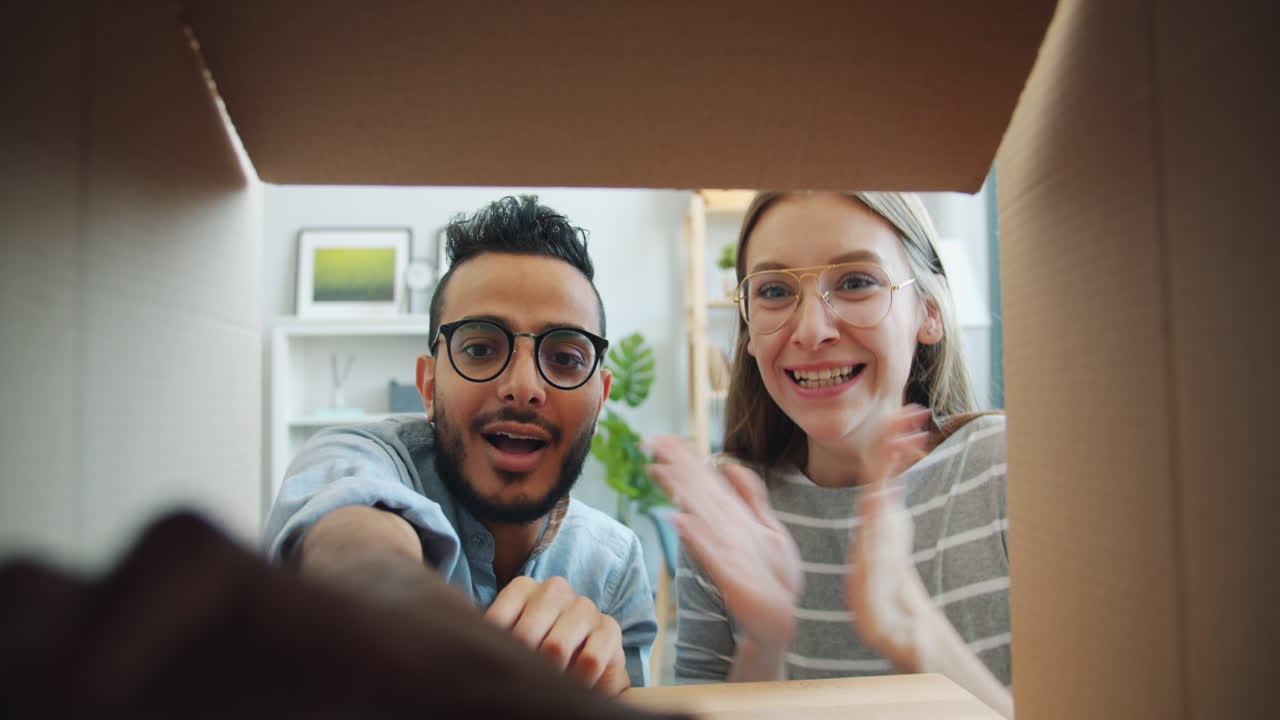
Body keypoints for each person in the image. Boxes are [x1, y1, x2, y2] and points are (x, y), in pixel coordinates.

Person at [263, 195, 657, 695]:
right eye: (479, 348)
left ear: (600, 399)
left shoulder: (613, 563)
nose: (523, 387)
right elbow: (351, 536)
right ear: (428, 386)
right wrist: (398, 608)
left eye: (565, 358)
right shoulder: (363, 455)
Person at [646, 191, 1013, 716]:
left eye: (856, 282)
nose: (812, 331)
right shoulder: (732, 507)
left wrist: (911, 626)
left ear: (928, 311)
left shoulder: (1006, 472)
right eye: (774, 291)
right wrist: (763, 647)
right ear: (749, 332)